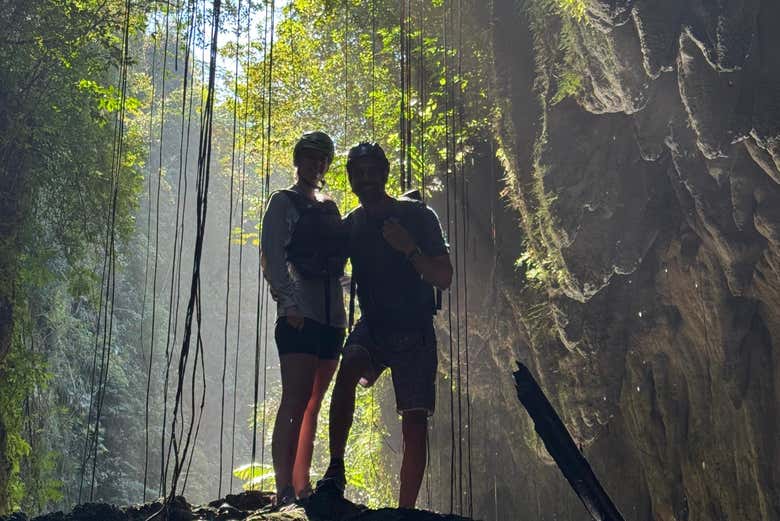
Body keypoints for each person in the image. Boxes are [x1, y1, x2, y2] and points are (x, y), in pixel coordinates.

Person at [317, 142, 453, 508]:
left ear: (385, 173)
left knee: (414, 418)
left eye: (371, 170)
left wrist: (409, 248)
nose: (365, 179)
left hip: (415, 329)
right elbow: (327, 266)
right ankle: (335, 470)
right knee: (347, 373)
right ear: (350, 179)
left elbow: (443, 276)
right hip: (374, 325)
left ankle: (405, 509)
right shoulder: (352, 225)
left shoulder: (418, 217)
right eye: (358, 173)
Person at [260, 131, 348, 506]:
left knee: (314, 403)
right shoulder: (283, 202)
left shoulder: (331, 206)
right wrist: (288, 303)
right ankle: (283, 488)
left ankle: (302, 486)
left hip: (332, 318)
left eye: (323, 158)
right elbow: (272, 255)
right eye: (311, 157)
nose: (317, 164)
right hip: (300, 314)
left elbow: (339, 262)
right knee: (295, 400)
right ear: (298, 160)